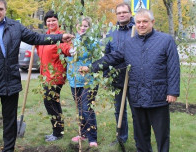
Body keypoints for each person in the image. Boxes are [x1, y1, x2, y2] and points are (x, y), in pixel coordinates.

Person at [0, 1, 74, 151]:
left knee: (10, 122)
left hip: (11, 83)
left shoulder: (15, 26)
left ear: (5, 10)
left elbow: (36, 38)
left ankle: (9, 149)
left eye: (0, 9)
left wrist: (60, 37)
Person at [79, 9, 180, 152]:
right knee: (140, 133)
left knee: (162, 134)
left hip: (158, 95)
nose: (141, 25)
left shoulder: (166, 40)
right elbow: (111, 58)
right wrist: (91, 67)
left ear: (152, 22)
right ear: (135, 23)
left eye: (145, 21)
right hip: (137, 95)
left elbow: (173, 66)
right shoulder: (129, 44)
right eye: (138, 22)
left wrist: (173, 91)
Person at [36, 10, 71, 142]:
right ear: (45, 23)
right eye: (48, 21)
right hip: (46, 75)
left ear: (58, 21)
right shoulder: (45, 36)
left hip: (56, 76)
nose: (51, 23)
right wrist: (37, 44)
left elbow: (67, 49)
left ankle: (57, 132)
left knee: (49, 102)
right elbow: (42, 53)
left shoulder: (61, 36)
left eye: (53, 20)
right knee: (53, 102)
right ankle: (58, 131)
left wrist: (71, 50)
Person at [104, 2, 136, 145]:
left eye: (124, 12)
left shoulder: (137, 29)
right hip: (116, 78)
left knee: (137, 112)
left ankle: (140, 140)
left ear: (130, 13)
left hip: (135, 79)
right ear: (116, 15)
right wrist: (106, 76)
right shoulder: (112, 33)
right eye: (119, 13)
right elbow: (107, 55)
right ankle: (121, 138)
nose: (122, 14)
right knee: (119, 111)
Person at [66, 16, 98, 147]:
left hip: (88, 81)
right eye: (80, 25)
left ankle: (92, 139)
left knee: (86, 108)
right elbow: (65, 55)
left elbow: (97, 61)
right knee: (79, 108)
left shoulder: (93, 42)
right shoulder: (72, 40)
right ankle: (83, 134)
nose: (82, 28)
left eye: (85, 26)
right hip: (74, 80)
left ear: (89, 28)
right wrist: (68, 52)